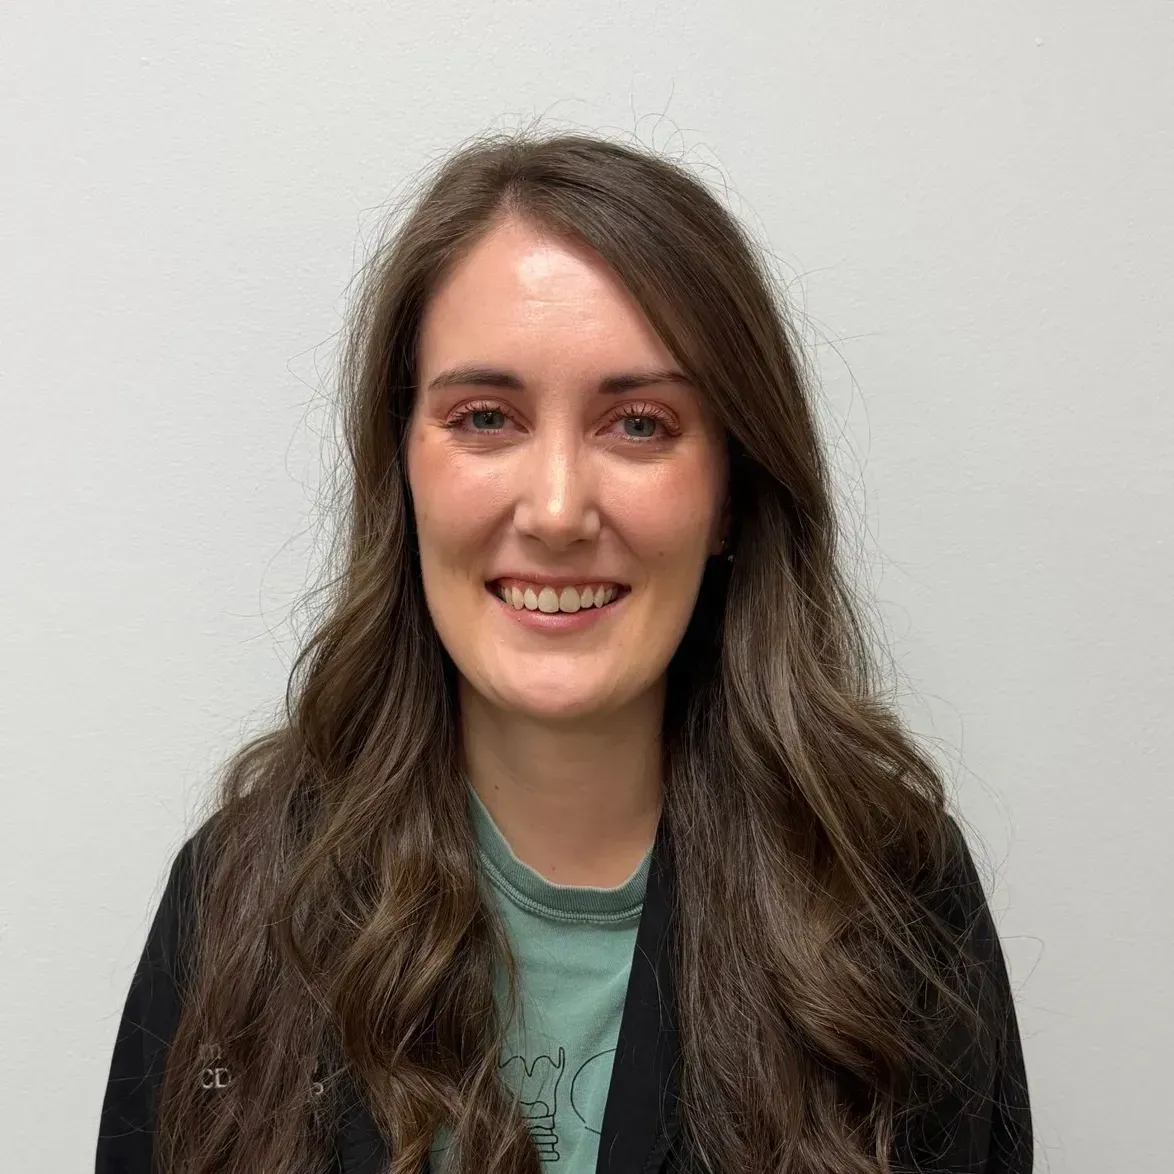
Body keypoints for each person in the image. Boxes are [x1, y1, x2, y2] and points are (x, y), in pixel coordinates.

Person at [96, 130, 1031, 1174]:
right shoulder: (238, 897)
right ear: (400, 471)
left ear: (731, 489)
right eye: (485, 417)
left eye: (637, 425)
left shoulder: (893, 905)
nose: (554, 509)